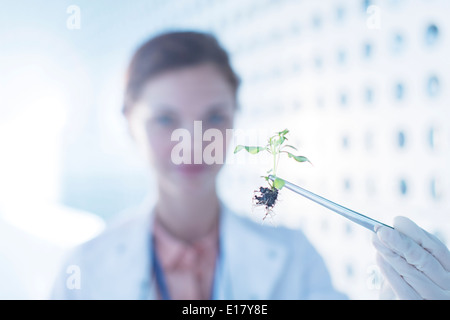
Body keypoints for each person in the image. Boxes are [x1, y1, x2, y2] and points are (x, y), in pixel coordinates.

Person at [51, 31, 450, 300]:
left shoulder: (295, 259)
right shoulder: (85, 271)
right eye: (165, 120)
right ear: (129, 124)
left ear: (236, 117)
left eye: (213, 117)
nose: (193, 142)